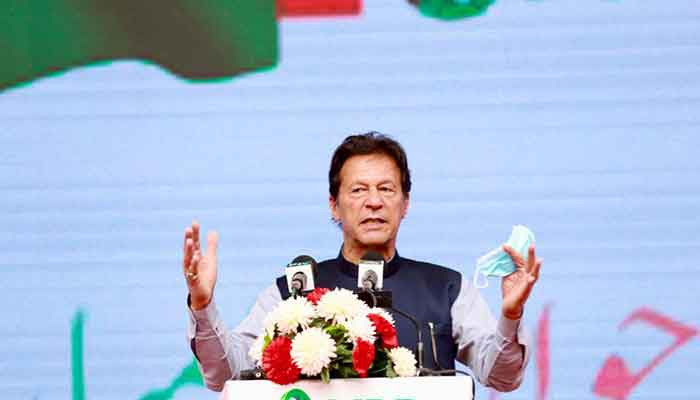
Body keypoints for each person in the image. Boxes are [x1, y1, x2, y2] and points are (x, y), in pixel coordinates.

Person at [183, 132, 541, 392]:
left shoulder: (446, 288)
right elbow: (226, 374)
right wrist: (202, 306)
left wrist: (511, 315)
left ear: (405, 204)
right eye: (358, 190)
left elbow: (502, 377)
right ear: (334, 206)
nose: (374, 202)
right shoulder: (293, 290)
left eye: (386, 189)